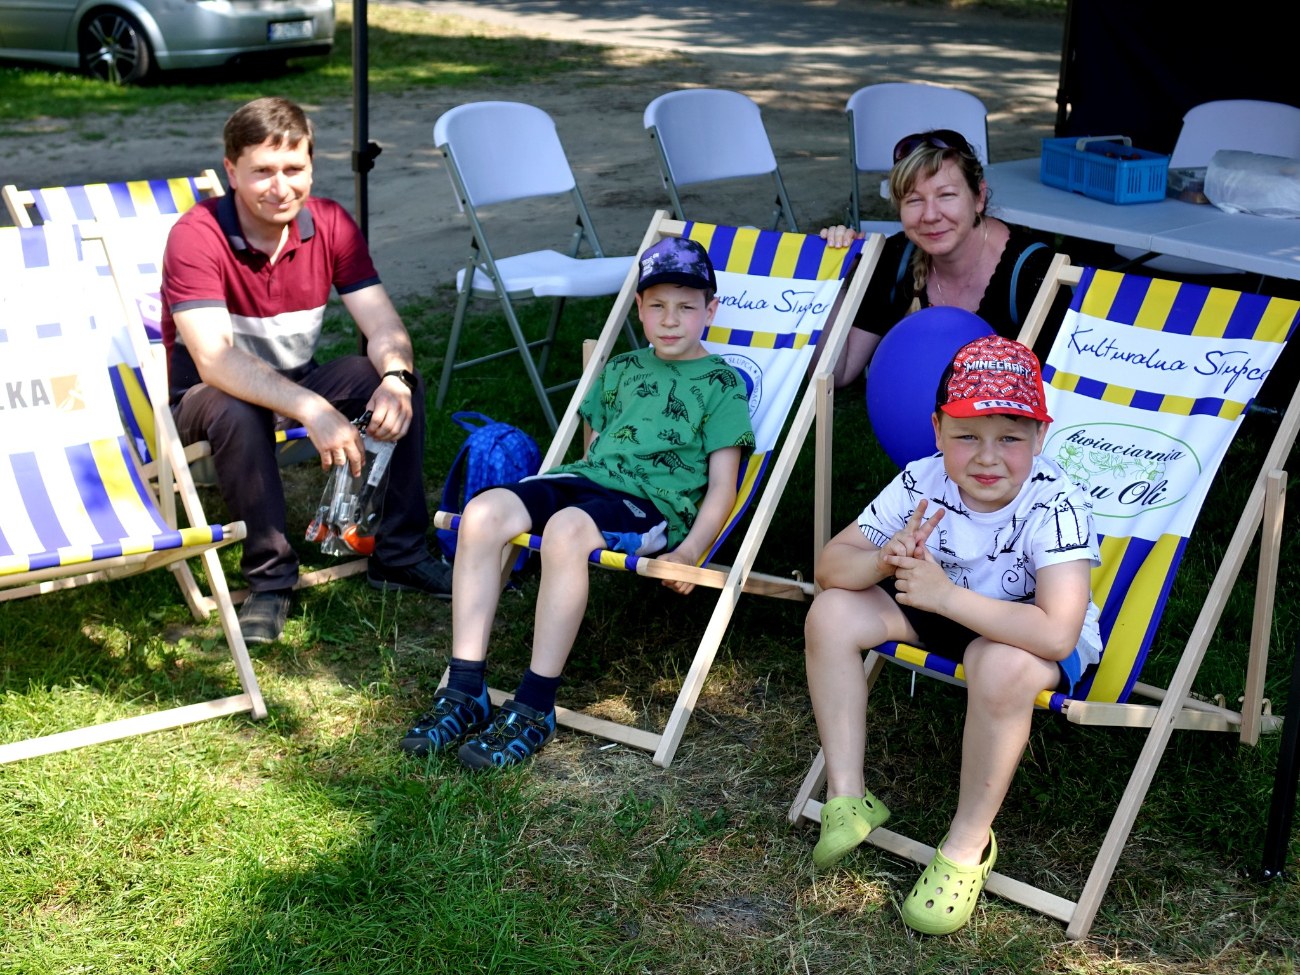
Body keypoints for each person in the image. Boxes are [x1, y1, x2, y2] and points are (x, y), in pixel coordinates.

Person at [399, 237, 755, 768]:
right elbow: (593, 449)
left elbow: (724, 485)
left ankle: (535, 704)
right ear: (639, 308)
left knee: (567, 528)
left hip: (650, 504)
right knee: (482, 512)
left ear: (711, 310)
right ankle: (465, 687)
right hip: (585, 481)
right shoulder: (620, 368)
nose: (670, 319)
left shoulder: (723, 383)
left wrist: (690, 552)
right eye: (657, 305)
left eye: (686, 307)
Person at [803, 334, 1100, 936]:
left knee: (1000, 666)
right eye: (967, 436)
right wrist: (883, 559)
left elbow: (1056, 634)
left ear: (1040, 438)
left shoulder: (1057, 504)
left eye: (1010, 438)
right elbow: (831, 568)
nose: (987, 458)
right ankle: (848, 795)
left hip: (1020, 636)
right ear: (938, 430)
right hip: (939, 612)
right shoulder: (923, 479)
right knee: (830, 613)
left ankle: (967, 845)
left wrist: (945, 597)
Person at [161, 97, 451, 645]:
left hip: (293, 384)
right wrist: (312, 408)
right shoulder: (196, 235)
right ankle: (270, 579)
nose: (281, 188)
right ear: (231, 172)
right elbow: (215, 360)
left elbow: (384, 324)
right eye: (262, 172)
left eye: (294, 169)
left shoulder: (330, 222)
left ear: (312, 166)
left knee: (388, 380)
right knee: (237, 404)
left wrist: (396, 378)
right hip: (205, 400)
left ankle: (400, 553)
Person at [816, 129, 1065, 387]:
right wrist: (833, 275)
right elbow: (835, 375)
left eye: (946, 195)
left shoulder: (1033, 271)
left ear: (979, 197)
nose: (931, 215)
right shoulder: (897, 256)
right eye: (914, 200)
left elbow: (1059, 393)